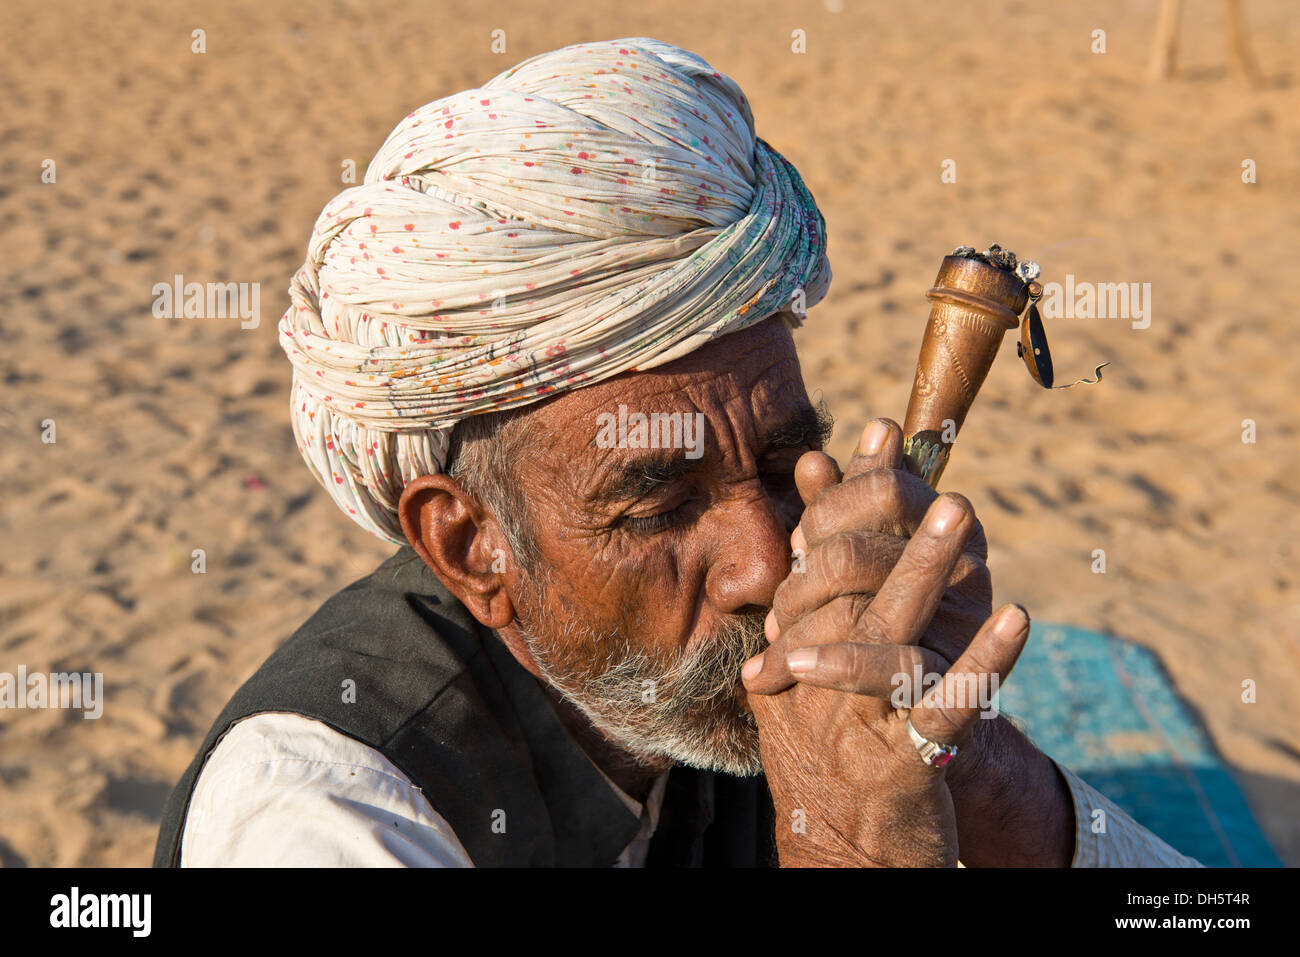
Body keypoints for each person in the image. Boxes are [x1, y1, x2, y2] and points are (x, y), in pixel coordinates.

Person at [154, 38, 1199, 868]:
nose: (763, 565)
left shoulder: (748, 693)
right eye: (655, 505)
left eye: (787, 464)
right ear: (472, 546)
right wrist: (838, 848)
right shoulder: (320, 814)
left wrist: (968, 765)